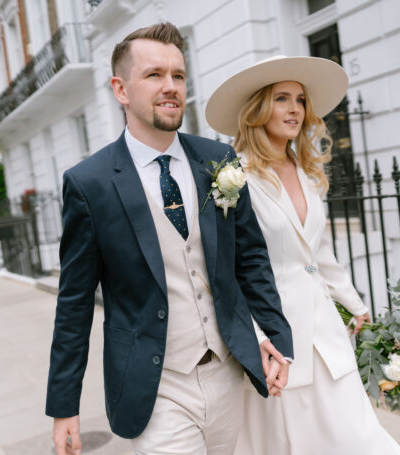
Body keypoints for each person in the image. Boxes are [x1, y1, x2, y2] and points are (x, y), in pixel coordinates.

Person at [45, 24, 294, 455]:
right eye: (154, 75)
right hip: (155, 386)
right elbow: (75, 302)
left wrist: (276, 338)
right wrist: (63, 405)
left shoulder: (217, 160)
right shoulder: (89, 183)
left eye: (178, 75)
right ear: (121, 90)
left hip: (227, 372)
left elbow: (251, 256)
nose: (171, 87)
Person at [206, 55, 400, 454]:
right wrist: (258, 338)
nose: (295, 108)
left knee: (359, 437)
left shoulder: (306, 171)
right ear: (259, 108)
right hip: (278, 342)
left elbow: (320, 252)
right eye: (281, 98)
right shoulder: (233, 177)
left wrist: (355, 304)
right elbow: (226, 271)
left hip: (326, 332)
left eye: (299, 99)